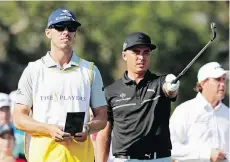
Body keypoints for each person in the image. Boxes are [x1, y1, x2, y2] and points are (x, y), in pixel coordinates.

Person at [13, 8, 107, 162]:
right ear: (48, 32)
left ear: (75, 34)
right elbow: (18, 118)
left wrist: (88, 128)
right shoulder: (33, 70)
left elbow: (102, 116)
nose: (66, 32)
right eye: (60, 27)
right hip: (43, 157)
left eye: (71, 28)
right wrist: (48, 129)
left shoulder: (90, 70)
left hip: (80, 158)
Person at [96, 32, 180, 162]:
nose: (141, 57)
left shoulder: (160, 83)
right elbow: (104, 134)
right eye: (136, 52)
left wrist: (172, 86)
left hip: (159, 158)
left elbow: (169, 91)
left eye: (146, 52)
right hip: (125, 159)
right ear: (124, 55)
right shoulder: (110, 91)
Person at [169, 62, 229, 162]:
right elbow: (169, 148)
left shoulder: (228, 113)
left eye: (224, 79)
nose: (222, 84)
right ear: (203, 83)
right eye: (217, 79)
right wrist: (206, 154)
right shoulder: (184, 111)